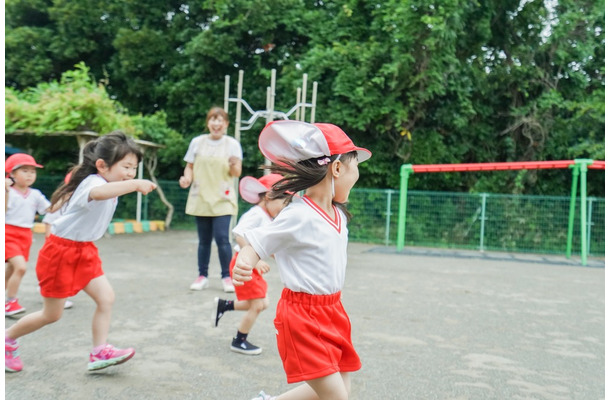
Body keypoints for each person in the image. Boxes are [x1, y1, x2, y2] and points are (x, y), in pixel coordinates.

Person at [232, 120, 372, 400]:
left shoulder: (339, 215)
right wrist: (245, 261)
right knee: (336, 397)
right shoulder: (297, 214)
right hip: (303, 316)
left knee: (341, 388)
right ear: (336, 168)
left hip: (333, 311)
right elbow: (257, 240)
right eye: (355, 166)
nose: (357, 175)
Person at [5, 131, 157, 373]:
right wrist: (135, 184)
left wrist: (129, 181)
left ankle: (99, 352)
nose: (131, 173)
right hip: (61, 252)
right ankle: (7, 338)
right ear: (102, 165)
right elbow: (98, 194)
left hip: (85, 250)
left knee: (106, 298)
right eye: (126, 166)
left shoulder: (108, 183)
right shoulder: (94, 183)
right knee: (51, 314)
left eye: (134, 169)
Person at [212, 173, 287, 356]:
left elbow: (264, 244)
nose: (284, 209)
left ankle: (225, 305)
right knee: (257, 305)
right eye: (283, 203)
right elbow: (239, 235)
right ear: (269, 197)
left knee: (263, 303)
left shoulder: (266, 217)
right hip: (244, 264)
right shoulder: (256, 214)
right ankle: (239, 340)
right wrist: (257, 260)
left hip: (249, 265)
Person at [179, 106, 243, 293]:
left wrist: (233, 165)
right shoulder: (197, 142)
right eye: (213, 119)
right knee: (204, 240)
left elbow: (236, 173)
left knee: (223, 238)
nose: (216, 123)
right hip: (201, 196)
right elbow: (189, 166)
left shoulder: (232, 144)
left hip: (223, 198)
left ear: (226, 124)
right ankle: (202, 276)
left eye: (220, 120)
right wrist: (187, 178)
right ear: (208, 123)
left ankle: (226, 277)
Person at [5, 153, 50, 316]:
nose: (30, 174)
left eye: (33, 171)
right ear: (12, 174)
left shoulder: (36, 194)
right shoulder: (7, 191)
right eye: (24, 170)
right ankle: (10, 302)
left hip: (25, 235)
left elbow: (49, 209)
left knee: (11, 269)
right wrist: (5, 190)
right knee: (20, 267)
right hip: (7, 233)